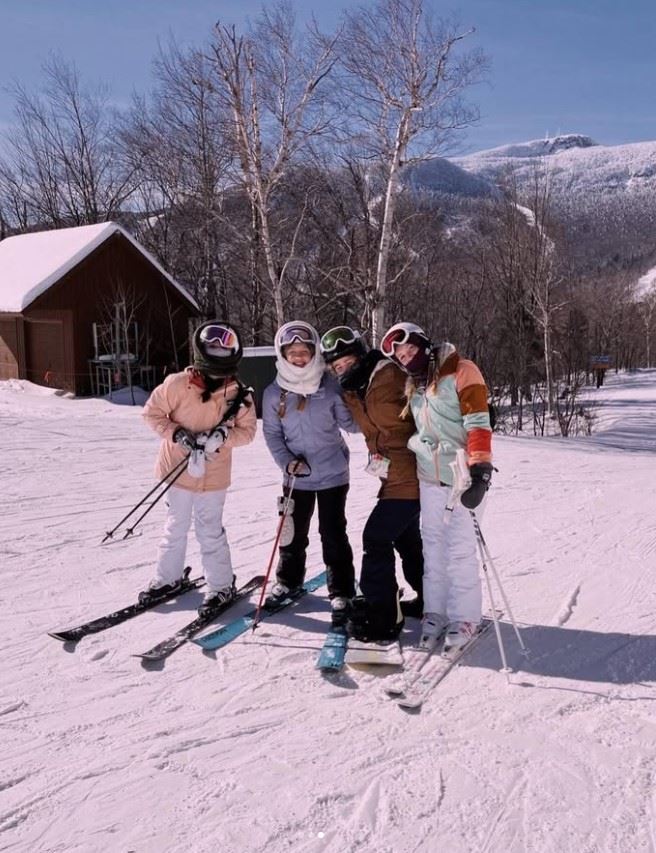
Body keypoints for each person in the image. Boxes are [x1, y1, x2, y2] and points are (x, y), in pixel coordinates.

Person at [380, 322, 493, 652]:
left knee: (459, 549)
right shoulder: (414, 383)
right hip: (429, 475)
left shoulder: (461, 369)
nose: (407, 357)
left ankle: (466, 616)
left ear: (423, 344)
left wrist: (480, 471)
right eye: (401, 356)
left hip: (462, 475)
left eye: (411, 350)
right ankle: (436, 611)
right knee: (432, 547)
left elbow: (478, 423)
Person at [139, 321, 256, 616]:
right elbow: (152, 413)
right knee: (174, 527)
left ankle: (220, 586)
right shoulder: (178, 384)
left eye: (224, 347)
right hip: (176, 470)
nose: (218, 352)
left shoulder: (239, 394)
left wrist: (223, 437)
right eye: (213, 347)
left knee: (209, 530)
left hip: (213, 477)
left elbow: (249, 432)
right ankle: (168, 579)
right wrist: (176, 433)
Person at [320, 326, 424, 643]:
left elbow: (430, 394)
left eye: (347, 361)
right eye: (337, 367)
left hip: (415, 470)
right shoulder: (352, 389)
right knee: (406, 540)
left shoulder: (392, 373)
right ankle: (431, 598)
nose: (343, 369)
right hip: (389, 475)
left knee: (376, 538)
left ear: (361, 355)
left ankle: (382, 616)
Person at [262, 320, 357, 623]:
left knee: (333, 533)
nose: (300, 358)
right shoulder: (273, 392)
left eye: (305, 351)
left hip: (332, 474)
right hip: (297, 477)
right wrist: (287, 462)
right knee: (292, 534)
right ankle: (288, 582)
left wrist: (364, 400)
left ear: (314, 352)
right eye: (293, 352)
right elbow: (272, 435)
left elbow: (350, 424)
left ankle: (341, 590)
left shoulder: (329, 385)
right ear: (283, 354)